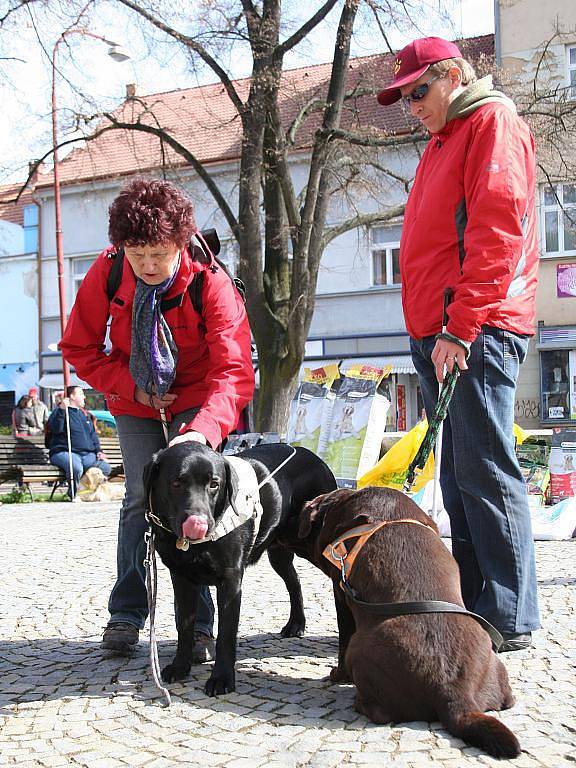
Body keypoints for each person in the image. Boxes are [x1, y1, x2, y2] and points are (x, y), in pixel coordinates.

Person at [377, 37, 540, 652]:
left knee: (485, 467)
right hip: (443, 329)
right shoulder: (446, 139)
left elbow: (497, 234)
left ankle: (508, 614)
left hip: (474, 329)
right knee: (460, 474)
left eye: (419, 91)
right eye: (403, 97)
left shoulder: (490, 124)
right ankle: (479, 605)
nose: (411, 106)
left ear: (452, 75)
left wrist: (459, 327)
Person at [59, 177, 254, 658]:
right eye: (136, 254)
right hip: (136, 395)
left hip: (198, 397)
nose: (147, 266)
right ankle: (126, 612)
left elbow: (233, 369)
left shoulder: (211, 283)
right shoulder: (106, 273)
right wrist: (135, 390)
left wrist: (202, 430)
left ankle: (202, 626)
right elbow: (79, 348)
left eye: (158, 255)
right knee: (139, 499)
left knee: (196, 499)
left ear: (180, 244)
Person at [47, 385, 111, 500]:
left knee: (105, 467)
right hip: (65, 452)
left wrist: (99, 451)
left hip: (87, 455)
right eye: (81, 394)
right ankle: (74, 494)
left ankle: (88, 492)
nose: (84, 397)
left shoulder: (85, 415)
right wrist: (62, 410)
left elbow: (93, 436)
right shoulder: (60, 412)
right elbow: (55, 429)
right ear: (71, 396)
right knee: (76, 468)